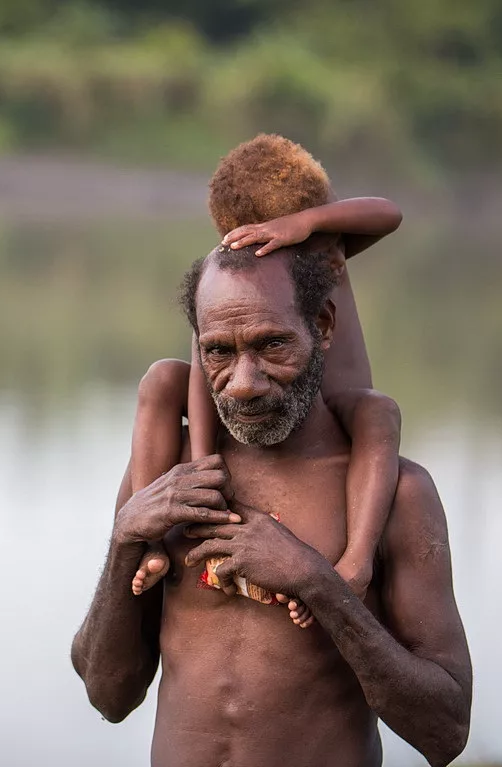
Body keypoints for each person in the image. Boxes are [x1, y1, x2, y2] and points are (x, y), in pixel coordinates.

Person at [71, 243, 472, 766]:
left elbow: (445, 732)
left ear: (323, 326)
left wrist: (317, 582)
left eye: (272, 345)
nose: (244, 384)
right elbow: (109, 695)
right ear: (197, 349)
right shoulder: (169, 477)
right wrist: (125, 539)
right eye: (219, 351)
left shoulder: (396, 494)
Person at [128, 136, 403, 628]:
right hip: (258, 397)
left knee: (379, 411)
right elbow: (203, 365)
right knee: (162, 378)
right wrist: (204, 470)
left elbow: (388, 213)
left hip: (332, 402)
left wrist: (309, 225)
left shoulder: (321, 246)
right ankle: (147, 543)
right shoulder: (230, 274)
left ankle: (356, 564)